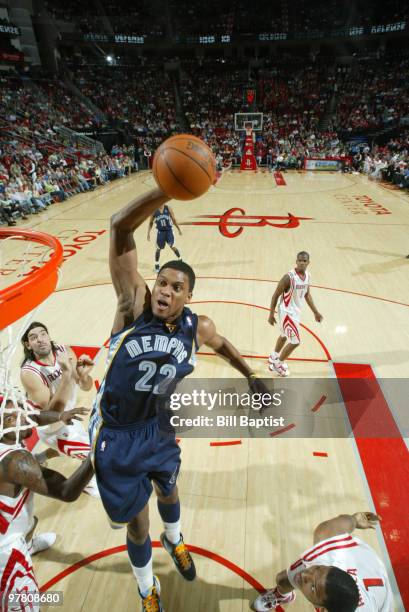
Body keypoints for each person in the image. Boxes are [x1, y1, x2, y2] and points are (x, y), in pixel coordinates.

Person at [89, 186, 268, 611]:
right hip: (117, 434)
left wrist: (250, 375)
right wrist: (167, 189)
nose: (165, 290)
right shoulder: (133, 307)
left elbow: (222, 343)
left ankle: (175, 540)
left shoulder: (196, 326)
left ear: (188, 296)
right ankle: (147, 586)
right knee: (137, 524)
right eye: (162, 282)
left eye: (176, 286)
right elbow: (119, 225)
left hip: (158, 426)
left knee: (169, 491)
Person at [0, 393, 92, 611]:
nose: (23, 417)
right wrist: (97, 454)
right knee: (27, 605)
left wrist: (61, 415)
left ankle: (29, 545)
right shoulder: (15, 461)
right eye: (12, 418)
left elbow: (34, 417)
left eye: (19, 411)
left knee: (30, 521)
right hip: (5, 553)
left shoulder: (10, 444)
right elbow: (66, 491)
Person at [251, 511, 393, 611]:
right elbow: (337, 526)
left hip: (380, 599)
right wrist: (355, 520)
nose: (305, 574)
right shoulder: (327, 550)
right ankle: (281, 596)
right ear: (332, 567)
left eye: (313, 587)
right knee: (282, 580)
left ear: (323, 609)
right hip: (368, 564)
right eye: (317, 569)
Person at [20, 322, 99, 497]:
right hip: (51, 427)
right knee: (98, 455)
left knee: (77, 444)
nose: (40, 340)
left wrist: (84, 375)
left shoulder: (64, 351)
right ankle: (89, 485)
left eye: (43, 334)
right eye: (33, 337)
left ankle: (39, 458)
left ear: (48, 335)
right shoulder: (29, 373)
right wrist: (66, 375)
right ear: (28, 345)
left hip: (70, 417)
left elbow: (85, 386)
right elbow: (52, 414)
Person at [268, 252, 323, 376]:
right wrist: (271, 314)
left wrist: (315, 312)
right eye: (300, 260)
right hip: (287, 313)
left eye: (304, 261)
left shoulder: (308, 276)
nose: (302, 263)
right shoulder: (288, 277)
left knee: (283, 336)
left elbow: (307, 294)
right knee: (295, 341)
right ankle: (278, 365)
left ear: (308, 262)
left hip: (294, 312)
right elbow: (275, 295)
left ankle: (274, 356)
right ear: (296, 261)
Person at [147, 204, 182, 272]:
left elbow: (174, 220)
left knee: (172, 246)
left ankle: (180, 260)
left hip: (169, 231)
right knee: (158, 249)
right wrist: (148, 233)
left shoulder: (168, 208)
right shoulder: (154, 210)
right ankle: (157, 265)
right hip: (160, 232)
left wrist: (178, 229)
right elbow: (151, 222)